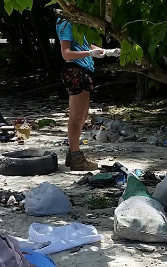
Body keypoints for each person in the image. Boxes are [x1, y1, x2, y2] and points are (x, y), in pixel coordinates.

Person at [57, 16, 104, 172]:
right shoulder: (65, 23)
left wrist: (103, 51)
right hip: (75, 71)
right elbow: (66, 53)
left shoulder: (78, 23)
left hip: (84, 71)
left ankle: (73, 154)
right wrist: (90, 53)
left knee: (83, 116)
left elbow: (82, 44)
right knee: (76, 117)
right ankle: (77, 157)